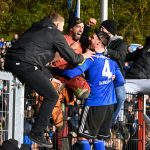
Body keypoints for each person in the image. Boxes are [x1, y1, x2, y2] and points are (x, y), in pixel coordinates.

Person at [4, 13, 94, 148]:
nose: (61, 31)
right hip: (25, 64)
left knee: (46, 88)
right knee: (52, 96)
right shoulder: (55, 33)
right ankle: (37, 132)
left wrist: (50, 77)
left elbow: (35, 56)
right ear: (57, 25)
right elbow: (73, 59)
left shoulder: (36, 27)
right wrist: (85, 55)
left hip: (12, 61)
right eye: (61, 28)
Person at [59, 31, 125, 150]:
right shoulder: (112, 62)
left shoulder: (91, 59)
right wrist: (111, 79)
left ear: (99, 42)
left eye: (92, 37)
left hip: (95, 104)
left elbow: (72, 74)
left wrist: (56, 71)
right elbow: (121, 81)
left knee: (82, 138)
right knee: (98, 139)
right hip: (109, 105)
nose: (90, 39)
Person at [51, 17, 90, 100]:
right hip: (56, 78)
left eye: (82, 27)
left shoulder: (81, 46)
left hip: (72, 83)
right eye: (78, 27)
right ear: (71, 28)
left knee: (84, 89)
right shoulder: (61, 39)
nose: (81, 30)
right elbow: (50, 59)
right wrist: (69, 49)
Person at [100, 20, 128, 123]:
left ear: (109, 30)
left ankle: (111, 122)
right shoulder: (100, 39)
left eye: (102, 28)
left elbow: (120, 55)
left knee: (120, 97)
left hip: (116, 75)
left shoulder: (121, 43)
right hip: (102, 74)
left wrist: (106, 51)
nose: (100, 30)